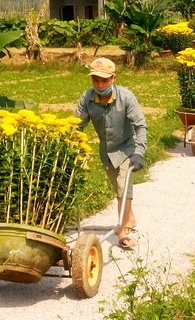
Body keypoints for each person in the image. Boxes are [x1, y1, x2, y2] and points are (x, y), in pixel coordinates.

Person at [75, 57, 147, 249]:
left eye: (105, 80)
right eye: (95, 80)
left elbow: (140, 126)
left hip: (126, 149)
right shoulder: (87, 99)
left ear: (114, 78)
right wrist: (72, 149)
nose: (100, 84)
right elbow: (77, 126)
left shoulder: (126, 97)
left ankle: (123, 232)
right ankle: (129, 219)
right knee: (118, 188)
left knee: (124, 187)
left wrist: (139, 152)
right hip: (106, 151)